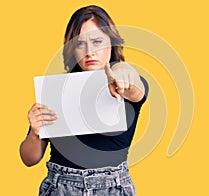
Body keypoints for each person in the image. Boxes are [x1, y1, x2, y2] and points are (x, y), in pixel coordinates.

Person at [20, 5, 148, 196]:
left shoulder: (125, 83)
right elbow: (29, 159)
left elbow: (136, 87)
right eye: (80, 44)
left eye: (97, 42)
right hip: (60, 187)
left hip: (113, 188)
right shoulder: (56, 91)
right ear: (72, 49)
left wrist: (123, 72)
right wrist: (35, 132)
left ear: (111, 44)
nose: (89, 52)